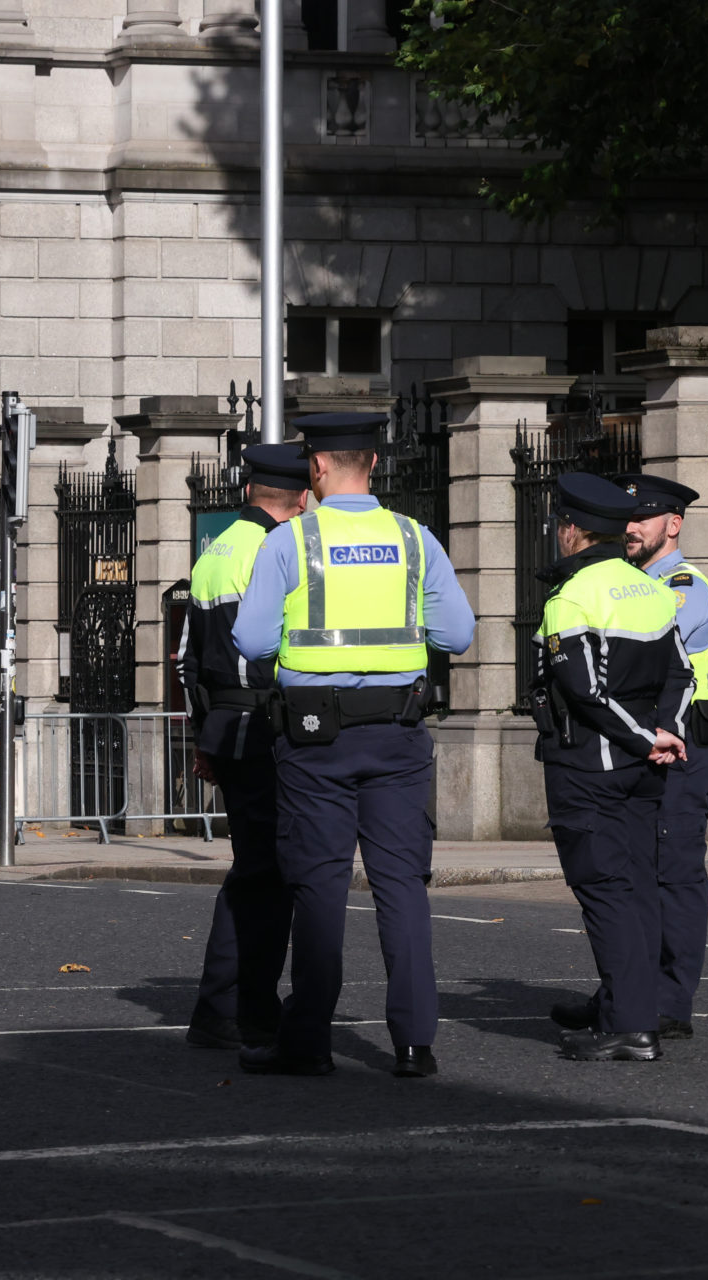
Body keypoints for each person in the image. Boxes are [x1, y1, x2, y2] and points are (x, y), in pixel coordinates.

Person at [231, 413, 476, 1078]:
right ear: (374, 463)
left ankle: (306, 1040)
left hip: (315, 740)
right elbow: (458, 636)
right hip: (398, 734)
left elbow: (251, 642)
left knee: (319, 886)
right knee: (402, 886)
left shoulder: (291, 543)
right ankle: (415, 1044)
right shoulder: (414, 538)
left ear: (315, 467)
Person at [552, 474, 708, 1041]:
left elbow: (646, 657)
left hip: (678, 745)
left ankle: (668, 1000)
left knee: (670, 873)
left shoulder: (679, 585)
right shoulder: (627, 582)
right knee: (636, 872)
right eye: (626, 518)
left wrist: (656, 733)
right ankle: (626, 996)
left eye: (643, 518)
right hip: (638, 741)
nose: (630, 528)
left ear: (673, 524)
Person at [175, 443, 312, 1051]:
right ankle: (236, 1006)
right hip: (265, 730)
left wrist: (201, 732)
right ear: (302, 498)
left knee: (255, 869)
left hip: (224, 728)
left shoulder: (216, 551)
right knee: (266, 874)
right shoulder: (279, 550)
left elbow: (185, 661)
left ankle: (235, 1004)